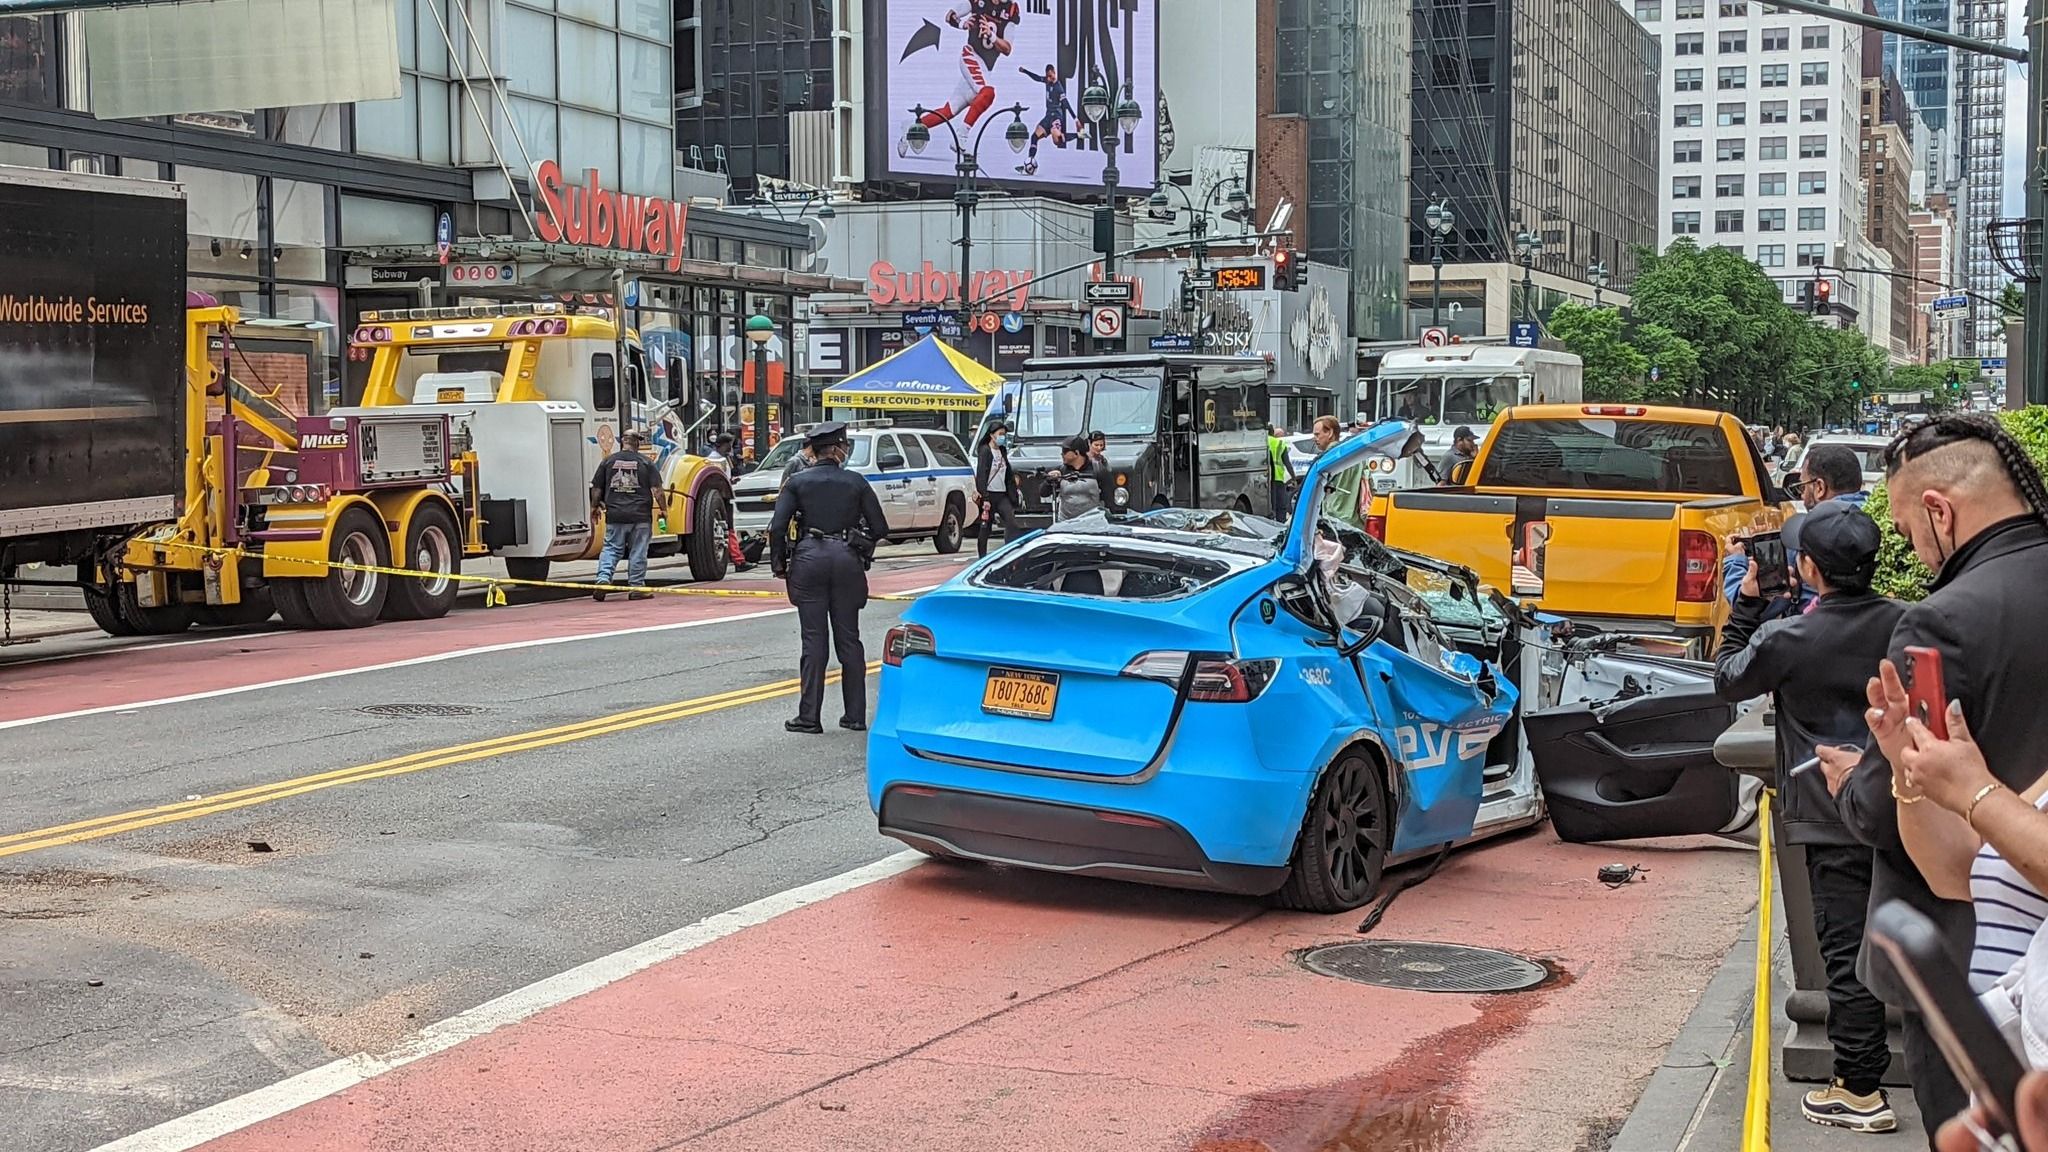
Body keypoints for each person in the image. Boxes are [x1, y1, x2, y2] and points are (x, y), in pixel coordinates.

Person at [1820, 413, 2048, 1140]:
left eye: (1908, 528)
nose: (1913, 551)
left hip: (1974, 959)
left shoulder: (1945, 619)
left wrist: (1865, 783)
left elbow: (1907, 810)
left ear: (1939, 511)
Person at [1714, 501, 1904, 1132]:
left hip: (1827, 810)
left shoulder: (1790, 636)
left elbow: (1728, 679)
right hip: (1907, 805)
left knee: (1847, 952)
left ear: (1807, 567)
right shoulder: (1911, 625)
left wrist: (1745, 606)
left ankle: (1859, 1088)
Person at [768, 422, 889, 735]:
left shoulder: (797, 482)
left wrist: (780, 565)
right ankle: (855, 715)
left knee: (813, 640)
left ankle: (809, 716)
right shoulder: (855, 482)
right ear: (837, 449)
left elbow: (777, 528)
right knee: (849, 639)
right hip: (846, 559)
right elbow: (880, 528)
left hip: (809, 559)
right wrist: (858, 542)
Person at [590, 429, 664, 601]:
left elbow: (597, 487)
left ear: (622, 442)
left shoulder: (608, 462)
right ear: (637, 443)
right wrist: (663, 509)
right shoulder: (646, 462)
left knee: (611, 548)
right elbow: (657, 490)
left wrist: (594, 507)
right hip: (641, 516)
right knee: (638, 550)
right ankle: (637, 586)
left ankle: (603, 579)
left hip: (615, 514)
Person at [1015, 62, 1072, 176]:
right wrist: (1025, 71)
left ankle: (1077, 135)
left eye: (1052, 75)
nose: (1050, 78)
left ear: (1054, 73)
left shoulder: (1058, 88)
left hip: (1056, 116)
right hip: (1048, 116)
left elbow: (1065, 104)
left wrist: (1074, 118)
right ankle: (1030, 160)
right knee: (1034, 136)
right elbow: (1036, 78)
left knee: (1057, 140)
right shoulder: (1047, 81)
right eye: (1048, 76)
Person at [975, 419, 1022, 556]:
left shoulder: (1002, 451)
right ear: (991, 435)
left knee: (1011, 522)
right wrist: (984, 496)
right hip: (989, 494)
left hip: (1002, 495)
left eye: (1004, 435)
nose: (1002, 437)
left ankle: (1010, 553)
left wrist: (1013, 492)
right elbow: (982, 474)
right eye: (1000, 434)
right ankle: (982, 557)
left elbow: (1008, 473)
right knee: (985, 527)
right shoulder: (985, 451)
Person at [1266, 424, 1297, 520]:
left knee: (1269, 504)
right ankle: (1280, 524)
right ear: (1273, 432)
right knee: (1281, 504)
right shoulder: (1279, 443)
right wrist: (1293, 478)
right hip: (1278, 478)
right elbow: (1287, 463)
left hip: (1263, 479)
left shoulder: (1261, 442)